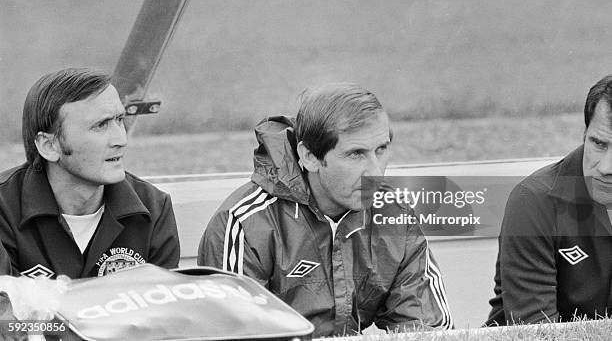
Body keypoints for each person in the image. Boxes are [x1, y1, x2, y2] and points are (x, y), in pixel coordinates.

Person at [199, 83, 453, 337]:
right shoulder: (245, 224)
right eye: (356, 154)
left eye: (381, 149)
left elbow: (428, 332)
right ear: (309, 157)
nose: (375, 172)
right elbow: (234, 336)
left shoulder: (396, 215)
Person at [0, 68, 180, 278]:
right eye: (100, 125)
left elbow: (165, 306)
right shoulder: (4, 210)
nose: (121, 140)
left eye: (120, 120)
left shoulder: (153, 208)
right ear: (49, 146)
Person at [487, 75, 612, 325]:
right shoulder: (534, 202)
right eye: (598, 144)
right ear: (584, 134)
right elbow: (536, 332)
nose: (606, 167)